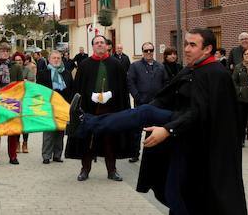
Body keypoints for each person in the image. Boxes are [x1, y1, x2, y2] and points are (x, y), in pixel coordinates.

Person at [69, 28, 248, 215]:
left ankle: (86, 124)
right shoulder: (193, 69)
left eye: (192, 45)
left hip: (199, 145)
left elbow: (200, 113)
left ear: (208, 49)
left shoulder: (216, 74)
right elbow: (167, 97)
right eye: (185, 43)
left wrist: (168, 129)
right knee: (172, 193)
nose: (186, 48)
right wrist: (150, 119)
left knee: (147, 117)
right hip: (183, 138)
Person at [65, 34, 130, 182]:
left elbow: (122, 88)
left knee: (110, 140)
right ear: (93, 46)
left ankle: (112, 170)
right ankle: (85, 169)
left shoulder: (116, 64)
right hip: (89, 110)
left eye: (102, 42)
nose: (100, 44)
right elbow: (78, 88)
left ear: (107, 46)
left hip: (110, 109)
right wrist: (90, 96)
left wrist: (110, 94)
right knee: (88, 141)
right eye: (97, 43)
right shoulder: (85, 65)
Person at [127, 42, 168, 162]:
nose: (149, 53)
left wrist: (162, 97)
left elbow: (166, 82)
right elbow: (130, 82)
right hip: (141, 102)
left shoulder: (160, 66)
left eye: (151, 50)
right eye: (146, 51)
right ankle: (135, 153)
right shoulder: (135, 66)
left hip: (156, 104)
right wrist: (137, 96)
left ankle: (151, 153)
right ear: (142, 52)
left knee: (153, 129)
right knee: (137, 129)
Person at [0, 43, 23, 165]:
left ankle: (13, 156)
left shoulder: (16, 67)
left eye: (7, 51)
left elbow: (20, 84)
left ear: (9, 53)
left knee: (12, 131)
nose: (4, 53)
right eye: (2, 51)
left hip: (12, 102)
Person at [36, 49, 73, 163]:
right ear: (49, 60)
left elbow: (71, 89)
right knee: (48, 131)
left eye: (58, 58)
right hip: (48, 105)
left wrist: (69, 104)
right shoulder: (43, 73)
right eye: (54, 58)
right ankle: (46, 156)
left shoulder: (66, 73)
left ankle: (57, 155)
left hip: (62, 106)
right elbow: (40, 90)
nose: (56, 60)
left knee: (60, 131)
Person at [13, 51, 36, 153]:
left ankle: (25, 143)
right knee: (17, 122)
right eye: (16, 60)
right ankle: (17, 143)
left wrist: (25, 82)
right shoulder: (11, 70)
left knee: (25, 122)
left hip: (26, 98)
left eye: (20, 60)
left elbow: (32, 81)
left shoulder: (27, 69)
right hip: (15, 99)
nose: (18, 62)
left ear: (23, 61)